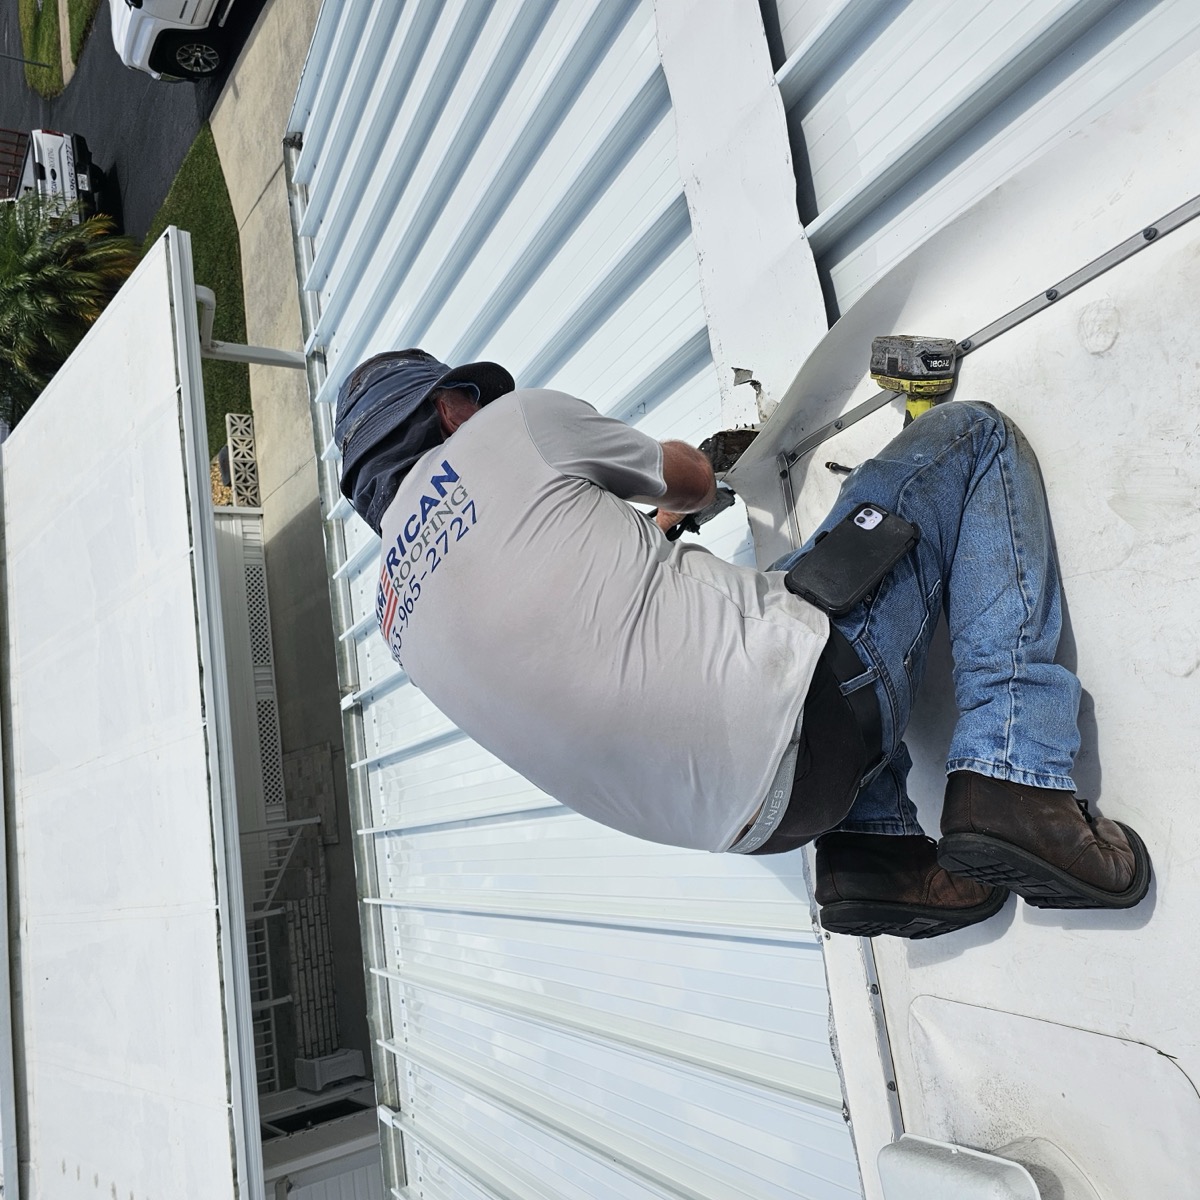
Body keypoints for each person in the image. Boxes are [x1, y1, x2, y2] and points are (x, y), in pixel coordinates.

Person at [334, 348, 1151, 939]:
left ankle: (875, 852)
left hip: (761, 824)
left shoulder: (398, 617)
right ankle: (1016, 779)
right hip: (813, 722)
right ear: (449, 409)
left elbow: (593, 654)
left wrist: (651, 539)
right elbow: (690, 478)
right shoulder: (508, 429)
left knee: (776, 595)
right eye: (467, 402)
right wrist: (678, 496)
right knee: (971, 441)